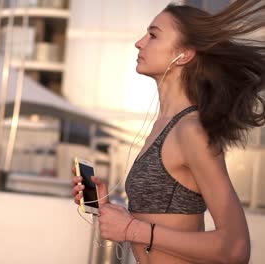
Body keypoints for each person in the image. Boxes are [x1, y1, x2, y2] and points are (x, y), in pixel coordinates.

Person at [72, 1, 265, 263]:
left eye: (153, 35)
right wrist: (106, 209)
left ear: (184, 54)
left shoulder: (192, 130)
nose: (139, 43)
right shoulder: (162, 126)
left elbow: (235, 247)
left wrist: (132, 229)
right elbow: (159, 223)